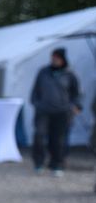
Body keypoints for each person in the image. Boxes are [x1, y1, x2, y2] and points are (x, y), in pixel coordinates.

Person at [30, 48, 82, 177]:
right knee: (39, 135)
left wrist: (76, 106)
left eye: (57, 58)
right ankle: (39, 163)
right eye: (52, 57)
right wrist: (37, 104)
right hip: (43, 111)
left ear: (62, 59)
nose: (54, 60)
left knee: (58, 140)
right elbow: (35, 91)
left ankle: (57, 164)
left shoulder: (70, 74)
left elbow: (77, 94)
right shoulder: (43, 72)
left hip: (62, 112)